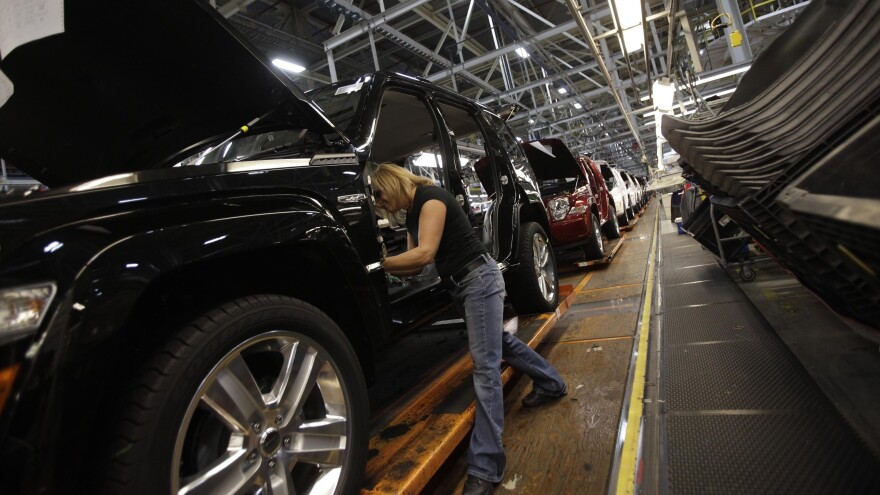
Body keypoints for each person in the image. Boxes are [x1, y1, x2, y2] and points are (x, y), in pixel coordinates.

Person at [372, 163, 567, 495]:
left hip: (478, 279)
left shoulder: (430, 198)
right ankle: (551, 382)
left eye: (379, 193)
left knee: (485, 367)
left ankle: (486, 467)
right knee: (500, 345)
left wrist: (379, 265)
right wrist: (386, 262)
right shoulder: (413, 214)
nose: (378, 201)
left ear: (392, 183)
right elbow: (415, 267)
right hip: (464, 286)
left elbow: (424, 254)